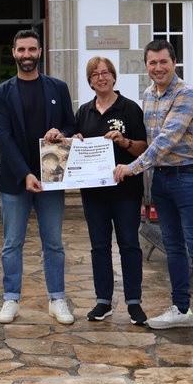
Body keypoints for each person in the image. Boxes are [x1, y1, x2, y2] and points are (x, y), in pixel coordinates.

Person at [114, 39, 193, 345]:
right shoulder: (148, 95)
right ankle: (182, 308)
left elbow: (166, 140)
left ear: (175, 63)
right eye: (152, 63)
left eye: (163, 62)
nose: (158, 68)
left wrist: (133, 167)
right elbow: (147, 139)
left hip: (189, 176)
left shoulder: (187, 94)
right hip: (162, 177)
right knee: (172, 246)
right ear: (146, 66)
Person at [0, 29, 77, 325]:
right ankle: (10, 299)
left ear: (40, 51)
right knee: (11, 243)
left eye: (32, 49)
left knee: (53, 242)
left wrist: (61, 132)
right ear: (13, 53)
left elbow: (70, 122)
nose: (26, 55)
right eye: (21, 50)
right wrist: (26, 173)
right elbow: (3, 136)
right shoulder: (1, 92)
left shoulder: (58, 88)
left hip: (52, 177)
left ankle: (57, 299)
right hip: (16, 179)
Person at [73, 56, 148, 325]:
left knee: (129, 246)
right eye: (94, 74)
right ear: (90, 80)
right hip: (94, 193)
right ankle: (103, 300)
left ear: (114, 77)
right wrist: (75, 140)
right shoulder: (83, 112)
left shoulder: (129, 109)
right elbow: (73, 149)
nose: (100, 78)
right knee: (99, 247)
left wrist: (124, 141)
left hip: (125, 191)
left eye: (105, 73)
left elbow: (144, 148)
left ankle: (134, 302)